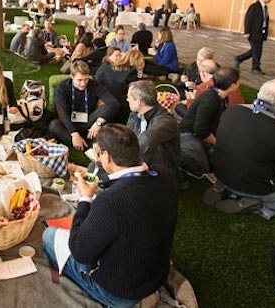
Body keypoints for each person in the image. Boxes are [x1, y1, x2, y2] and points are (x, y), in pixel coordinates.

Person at [42, 124, 178, 307]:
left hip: (121, 292)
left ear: (106, 156)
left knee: (49, 236)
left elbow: (80, 251)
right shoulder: (165, 175)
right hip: (155, 275)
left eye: (98, 153)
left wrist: (85, 199)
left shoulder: (110, 201)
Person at [212, 79, 275, 219]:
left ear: (259, 94)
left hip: (220, 172)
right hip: (254, 184)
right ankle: (258, 206)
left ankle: (226, 189)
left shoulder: (233, 109)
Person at [179, 67, 241, 178]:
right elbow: (200, 130)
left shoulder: (221, 97)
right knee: (203, 168)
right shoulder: (209, 100)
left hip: (203, 134)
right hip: (189, 135)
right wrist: (217, 143)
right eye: (238, 81)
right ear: (232, 86)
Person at [49, 61, 119, 150]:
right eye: (79, 80)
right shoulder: (62, 88)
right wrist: (74, 133)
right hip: (69, 124)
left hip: (88, 121)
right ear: (72, 76)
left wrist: (98, 123)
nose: (83, 83)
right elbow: (62, 113)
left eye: (86, 79)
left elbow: (113, 103)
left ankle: (84, 143)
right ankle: (86, 145)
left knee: (106, 111)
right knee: (54, 125)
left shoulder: (94, 85)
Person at [126, 80, 181, 180]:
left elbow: (146, 140)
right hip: (141, 160)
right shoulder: (134, 114)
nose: (127, 99)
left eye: (129, 97)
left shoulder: (165, 122)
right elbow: (127, 136)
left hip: (162, 172)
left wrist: (120, 156)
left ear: (138, 102)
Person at [96, 47, 143, 123]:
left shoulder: (106, 67)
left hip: (106, 105)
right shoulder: (131, 73)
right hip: (124, 108)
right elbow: (135, 91)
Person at [235, 0, 273, 75]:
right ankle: (255, 67)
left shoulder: (265, 7)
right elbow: (248, 19)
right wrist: (247, 31)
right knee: (257, 50)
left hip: (261, 32)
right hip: (253, 32)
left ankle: (239, 58)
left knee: (255, 50)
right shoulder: (254, 6)